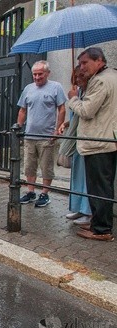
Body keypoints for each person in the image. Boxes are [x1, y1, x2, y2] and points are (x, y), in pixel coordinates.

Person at [67, 47, 117, 242]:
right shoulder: (112, 76)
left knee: (99, 188)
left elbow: (87, 110)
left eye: (84, 63)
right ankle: (98, 223)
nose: (81, 67)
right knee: (102, 186)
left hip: (98, 142)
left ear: (99, 61)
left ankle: (102, 229)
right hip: (106, 139)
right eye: (80, 63)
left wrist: (73, 98)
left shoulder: (100, 80)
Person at [17, 60, 66, 207]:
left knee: (46, 167)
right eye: (35, 74)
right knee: (29, 166)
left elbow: (62, 109)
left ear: (47, 73)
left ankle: (45, 194)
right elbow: (22, 110)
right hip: (30, 135)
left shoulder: (56, 87)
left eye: (40, 74)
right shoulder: (28, 89)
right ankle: (30, 191)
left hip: (47, 136)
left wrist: (57, 130)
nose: (37, 77)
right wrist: (18, 126)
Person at [58, 66, 91, 226]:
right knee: (77, 175)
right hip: (76, 139)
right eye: (75, 77)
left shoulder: (88, 93)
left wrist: (73, 99)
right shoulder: (78, 92)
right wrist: (67, 123)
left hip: (87, 140)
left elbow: (86, 113)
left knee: (86, 177)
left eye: (80, 77)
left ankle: (88, 211)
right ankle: (78, 207)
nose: (77, 80)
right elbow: (77, 117)